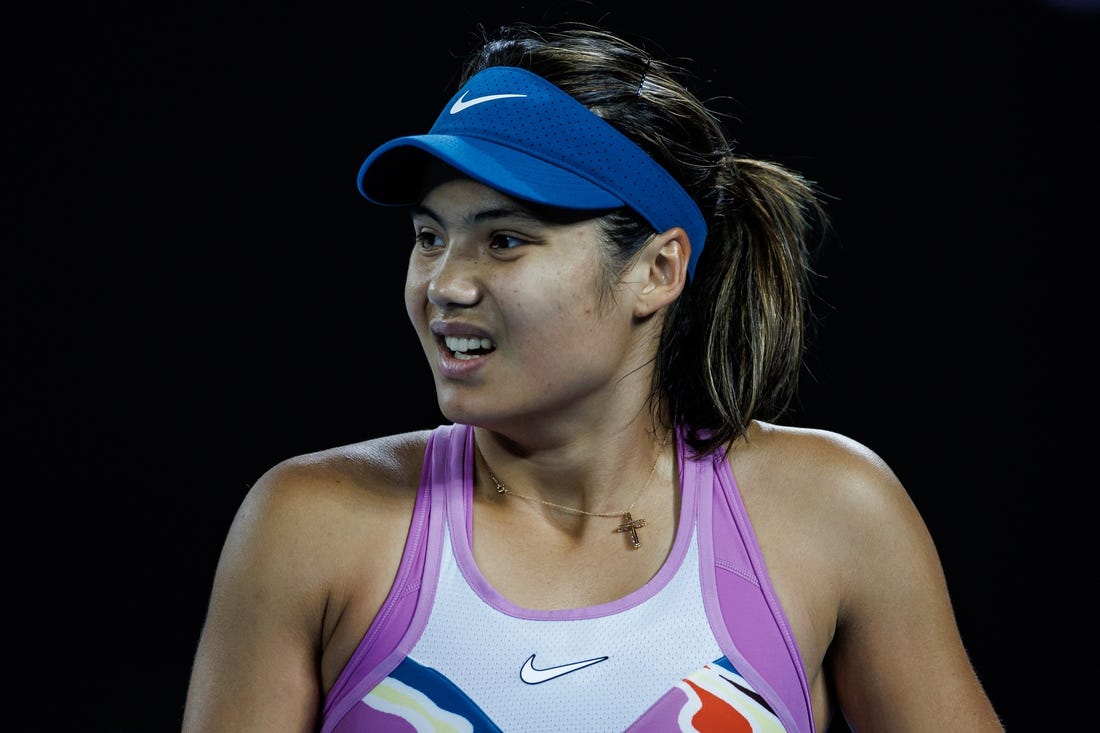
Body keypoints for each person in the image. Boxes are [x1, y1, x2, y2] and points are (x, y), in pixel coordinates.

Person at [182, 21, 1004, 733]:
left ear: (657, 270)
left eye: (504, 240)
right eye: (431, 236)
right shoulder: (307, 525)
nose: (446, 284)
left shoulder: (836, 511)